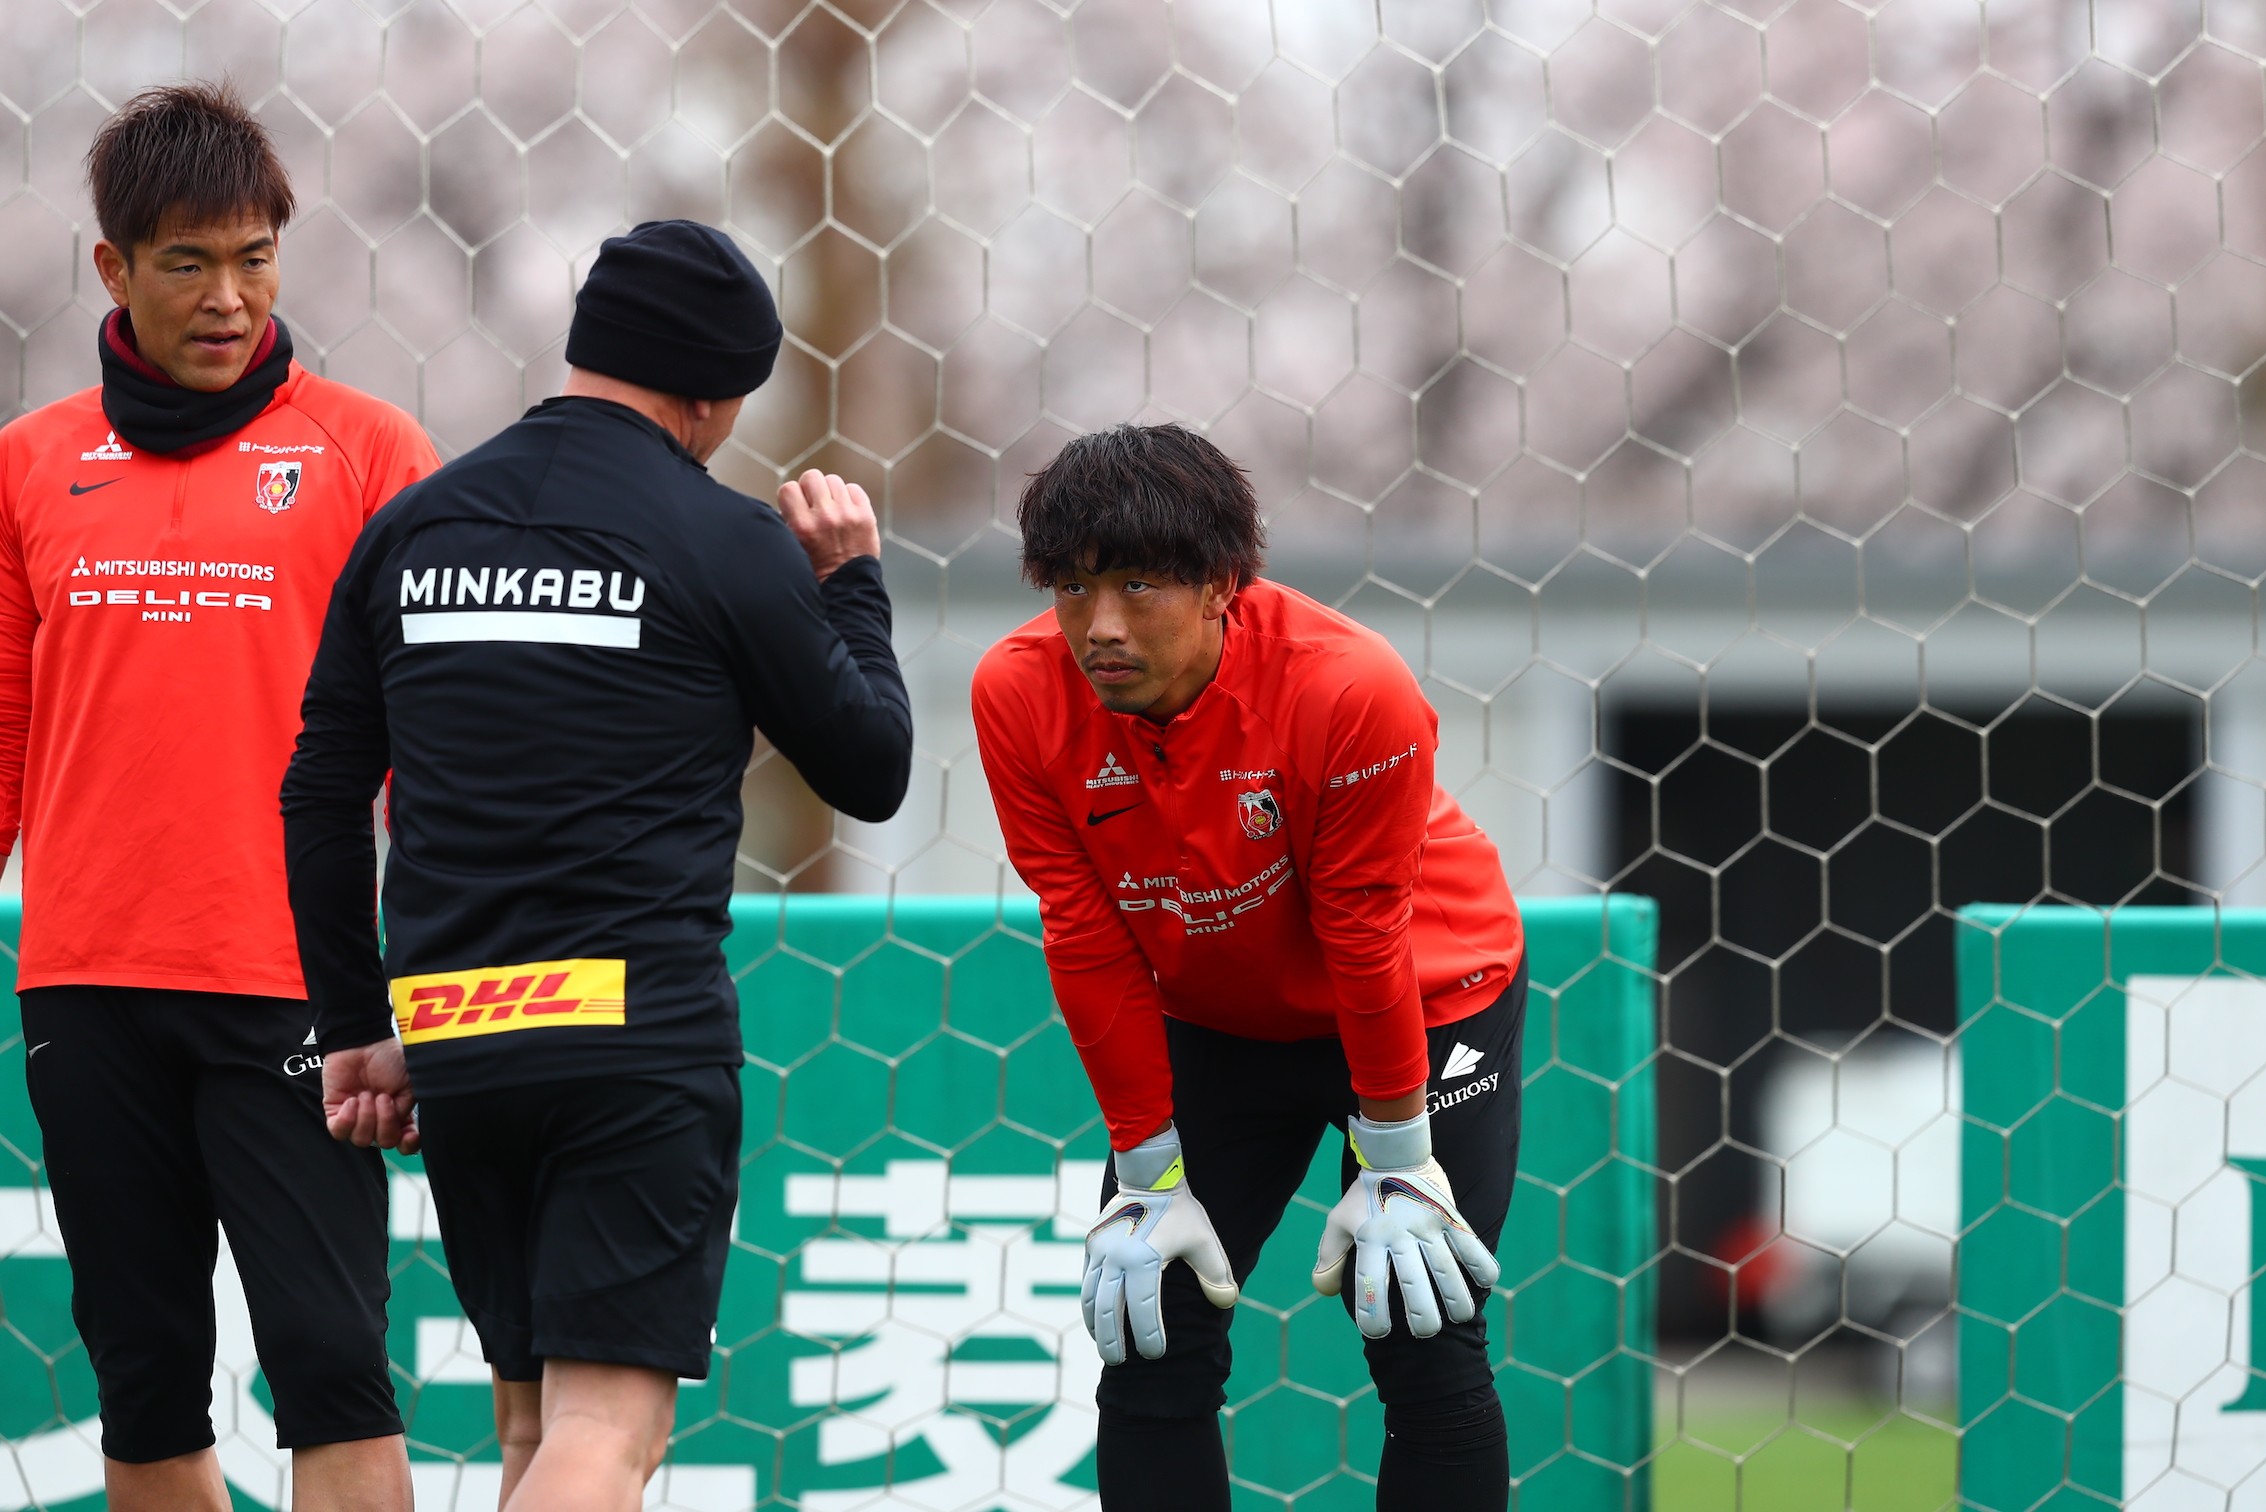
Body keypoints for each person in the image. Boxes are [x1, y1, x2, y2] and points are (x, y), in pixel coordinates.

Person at [282, 218, 914, 1512]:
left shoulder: (412, 528)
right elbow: (871, 767)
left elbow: (322, 794)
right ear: (712, 391)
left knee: (527, 1432)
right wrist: (849, 580)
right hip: (632, 1038)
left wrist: (359, 1024)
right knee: (604, 1440)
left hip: (459, 1030)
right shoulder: (722, 538)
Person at [0, 83, 437, 1512]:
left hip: (296, 989)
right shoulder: (31, 465)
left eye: (254, 256)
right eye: (188, 261)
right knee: (142, 1378)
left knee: (332, 1368)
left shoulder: (370, 455)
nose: (230, 296)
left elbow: (438, 752)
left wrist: (427, 982)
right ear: (114, 270)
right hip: (87, 981)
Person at [970, 423, 1529, 1512]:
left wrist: (1400, 1160)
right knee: (1147, 1338)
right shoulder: (1019, 693)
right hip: (1222, 1019)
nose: (1103, 626)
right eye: (1074, 590)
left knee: (1418, 1326)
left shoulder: (1348, 686)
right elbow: (1084, 933)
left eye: (1141, 585)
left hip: (1425, 998)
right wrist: (1145, 1174)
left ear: (1226, 583)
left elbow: (1366, 934)